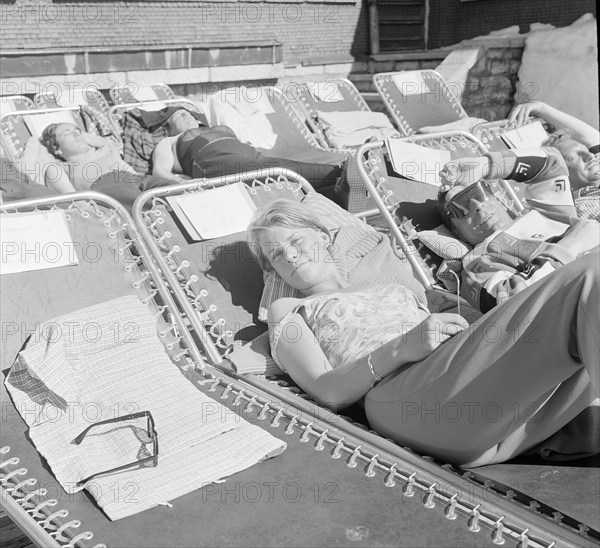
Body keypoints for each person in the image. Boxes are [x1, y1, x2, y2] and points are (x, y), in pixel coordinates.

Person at [247, 199, 599, 467]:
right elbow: (326, 391)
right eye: (276, 255)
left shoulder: (394, 288)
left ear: (324, 237)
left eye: (296, 241)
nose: (290, 255)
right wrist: (403, 347)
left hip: (471, 396)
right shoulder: (287, 310)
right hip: (399, 400)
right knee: (588, 277)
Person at [436, 179, 599, 312]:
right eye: (460, 208)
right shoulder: (475, 264)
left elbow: (552, 162)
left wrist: (486, 165)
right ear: (456, 232)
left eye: (480, 193)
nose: (477, 206)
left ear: (500, 199)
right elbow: (511, 305)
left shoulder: (542, 212)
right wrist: (569, 247)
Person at [151, 109, 345, 202]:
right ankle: (343, 172)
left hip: (247, 153)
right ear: (168, 127)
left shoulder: (209, 127)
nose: (188, 117)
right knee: (276, 171)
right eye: (179, 116)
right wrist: (184, 185)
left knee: (283, 168)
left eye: (189, 113)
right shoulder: (168, 141)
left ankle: (339, 190)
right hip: (213, 160)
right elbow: (160, 171)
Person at [39, 123, 174, 210]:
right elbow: (72, 199)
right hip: (105, 187)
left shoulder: (105, 152)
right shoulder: (58, 168)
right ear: (56, 148)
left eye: (77, 130)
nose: (76, 133)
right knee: (150, 208)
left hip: (134, 179)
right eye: (67, 133)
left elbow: (127, 169)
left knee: (174, 189)